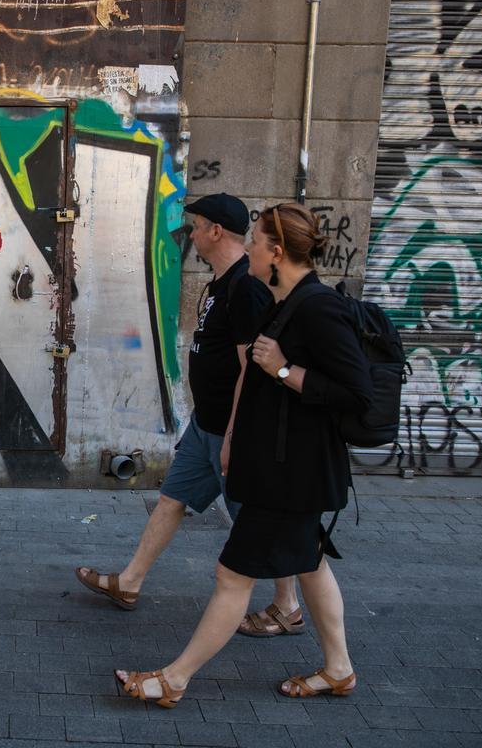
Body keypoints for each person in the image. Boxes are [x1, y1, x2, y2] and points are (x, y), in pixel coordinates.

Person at [114, 202, 373, 707]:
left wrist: (281, 370)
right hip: (278, 467)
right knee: (311, 563)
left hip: (292, 472)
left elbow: (356, 392)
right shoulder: (285, 300)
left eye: (254, 240)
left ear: (276, 252)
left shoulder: (319, 306)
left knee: (232, 576)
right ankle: (339, 669)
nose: (248, 247)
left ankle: (175, 679)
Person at [74, 193, 271, 610]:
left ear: (216, 231)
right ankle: (129, 582)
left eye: (196, 226)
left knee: (264, 522)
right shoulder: (221, 283)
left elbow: (252, 373)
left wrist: (235, 435)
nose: (192, 234)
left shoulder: (245, 288)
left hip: (228, 432)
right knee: (171, 498)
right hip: (207, 425)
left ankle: (288, 604)